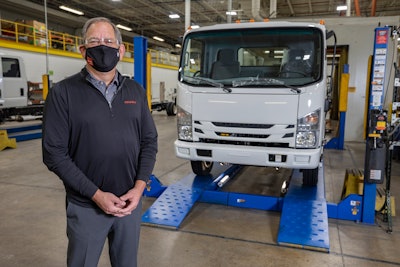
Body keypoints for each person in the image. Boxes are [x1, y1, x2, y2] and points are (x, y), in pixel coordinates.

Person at [42, 17, 158, 267]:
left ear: (121, 49)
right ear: (83, 50)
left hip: (129, 204)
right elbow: (54, 153)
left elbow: (149, 141)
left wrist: (138, 189)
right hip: (86, 207)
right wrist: (96, 195)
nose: (102, 46)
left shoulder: (135, 91)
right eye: (94, 41)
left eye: (108, 41)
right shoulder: (63, 93)